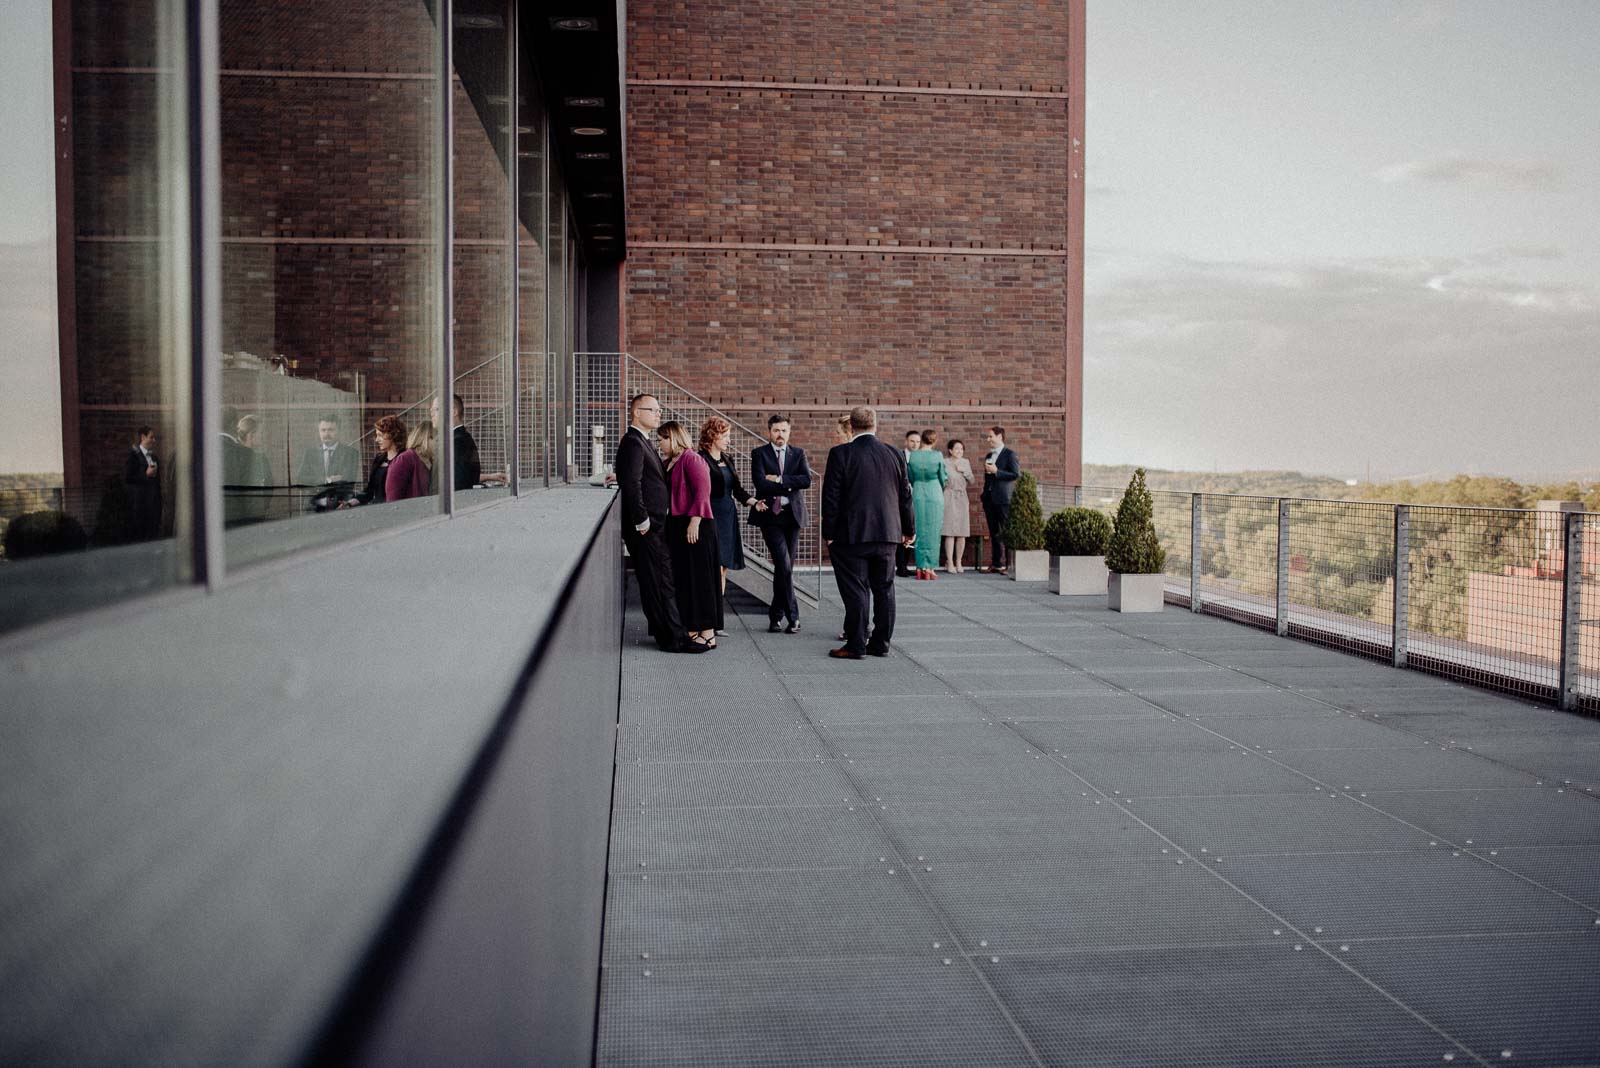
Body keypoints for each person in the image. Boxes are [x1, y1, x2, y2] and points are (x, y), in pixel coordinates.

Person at [821, 406, 914, 659]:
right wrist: (909, 529)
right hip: (888, 533)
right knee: (885, 589)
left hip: (851, 535)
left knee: (856, 588)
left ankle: (856, 644)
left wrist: (828, 531)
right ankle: (881, 643)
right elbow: (905, 494)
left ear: (851, 426)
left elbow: (831, 497)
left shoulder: (840, 453)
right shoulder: (894, 454)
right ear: (875, 424)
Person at [660, 420, 723, 649]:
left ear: (674, 438)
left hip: (696, 526)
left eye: (663, 438)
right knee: (686, 579)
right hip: (677, 525)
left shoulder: (691, 458)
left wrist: (694, 521)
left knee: (701, 579)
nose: (660, 443)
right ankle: (693, 628)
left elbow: (703, 491)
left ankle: (707, 633)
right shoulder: (669, 461)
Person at [749, 413, 811, 634]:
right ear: (769, 432)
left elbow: (806, 480)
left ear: (789, 431)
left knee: (784, 569)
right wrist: (788, 485)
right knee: (784, 565)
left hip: (792, 516)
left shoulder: (798, 453)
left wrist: (779, 479)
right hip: (771, 516)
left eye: (784, 430)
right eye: (776, 431)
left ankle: (775, 617)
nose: (780, 435)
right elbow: (760, 483)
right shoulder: (759, 454)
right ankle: (793, 618)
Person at [698, 416, 754, 597]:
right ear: (713, 436)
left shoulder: (728, 459)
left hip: (728, 516)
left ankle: (717, 614)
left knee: (723, 567)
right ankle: (710, 613)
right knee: (712, 567)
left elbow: (737, 489)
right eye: (725, 436)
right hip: (710, 515)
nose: (729, 440)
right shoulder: (701, 460)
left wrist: (753, 501)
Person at [907, 429, 948, 579]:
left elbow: (910, 476)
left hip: (918, 492)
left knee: (919, 529)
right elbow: (943, 476)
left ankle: (920, 567)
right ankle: (930, 567)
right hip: (934, 491)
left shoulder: (913, 456)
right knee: (933, 530)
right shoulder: (937, 455)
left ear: (922, 439)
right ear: (934, 441)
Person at [979, 425, 1020, 574]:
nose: (988, 439)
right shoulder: (989, 456)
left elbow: (1015, 474)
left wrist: (998, 472)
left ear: (1000, 437)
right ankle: (996, 563)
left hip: (1003, 499)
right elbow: (987, 478)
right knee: (994, 532)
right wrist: (984, 494)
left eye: (991, 436)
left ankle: (1010, 566)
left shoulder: (1010, 454)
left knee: (1006, 532)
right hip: (989, 499)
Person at [343, 415, 406, 507]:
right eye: (376, 435)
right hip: (377, 509)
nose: (377, 440)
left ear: (392, 434)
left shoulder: (404, 458)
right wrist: (350, 503)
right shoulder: (379, 459)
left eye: (380, 435)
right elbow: (370, 490)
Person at [295, 413, 360, 487]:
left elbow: (348, 480)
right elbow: (300, 480)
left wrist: (314, 480)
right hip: (315, 497)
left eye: (331, 430)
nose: (326, 434)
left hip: (340, 498)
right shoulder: (310, 453)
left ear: (339, 431)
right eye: (323, 430)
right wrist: (327, 480)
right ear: (319, 432)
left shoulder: (351, 453)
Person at [940, 438, 975, 572]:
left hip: (961, 496)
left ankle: (959, 562)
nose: (959, 451)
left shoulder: (966, 462)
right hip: (948, 495)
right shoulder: (944, 462)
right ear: (950, 450)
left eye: (961, 449)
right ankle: (949, 562)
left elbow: (972, 480)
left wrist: (965, 472)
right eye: (956, 449)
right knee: (949, 531)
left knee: (961, 531)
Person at [123, 426, 162, 541]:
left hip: (153, 506)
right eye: (151, 437)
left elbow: (157, 481)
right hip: (140, 506)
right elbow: (128, 478)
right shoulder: (133, 456)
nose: (154, 441)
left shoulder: (154, 457)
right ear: (143, 437)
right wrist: (146, 475)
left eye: (154, 438)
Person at [894, 430, 923, 577]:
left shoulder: (922, 457)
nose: (915, 444)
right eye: (912, 441)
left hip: (918, 496)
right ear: (906, 441)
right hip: (903, 497)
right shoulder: (900, 455)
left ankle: (905, 564)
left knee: (913, 529)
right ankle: (900, 565)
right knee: (903, 529)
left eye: (918, 442)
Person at [387, 419, 434, 501]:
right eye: (435, 438)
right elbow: (393, 496)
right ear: (425, 438)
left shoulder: (429, 461)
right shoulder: (405, 459)